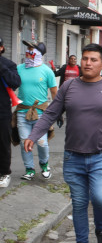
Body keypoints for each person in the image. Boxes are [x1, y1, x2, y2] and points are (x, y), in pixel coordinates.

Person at [25, 43, 102, 243]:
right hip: (72, 157)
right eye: (85, 58)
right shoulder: (68, 87)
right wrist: (33, 135)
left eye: (93, 60)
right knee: (79, 203)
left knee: (101, 199)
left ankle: (101, 230)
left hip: (101, 156)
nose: (87, 63)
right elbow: (50, 114)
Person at [16, 41, 58, 181]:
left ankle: (44, 165)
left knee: (42, 142)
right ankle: (29, 169)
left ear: (39, 53)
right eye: (27, 48)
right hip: (23, 112)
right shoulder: (19, 68)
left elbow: (54, 92)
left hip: (41, 113)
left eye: (32, 49)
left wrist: (58, 111)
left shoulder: (47, 71)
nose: (28, 51)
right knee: (24, 142)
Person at [0, 38, 20, 188]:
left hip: (2, 111)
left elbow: (15, 82)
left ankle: (4, 173)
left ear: (1, 48)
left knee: (3, 143)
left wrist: (1, 66)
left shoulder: (8, 64)